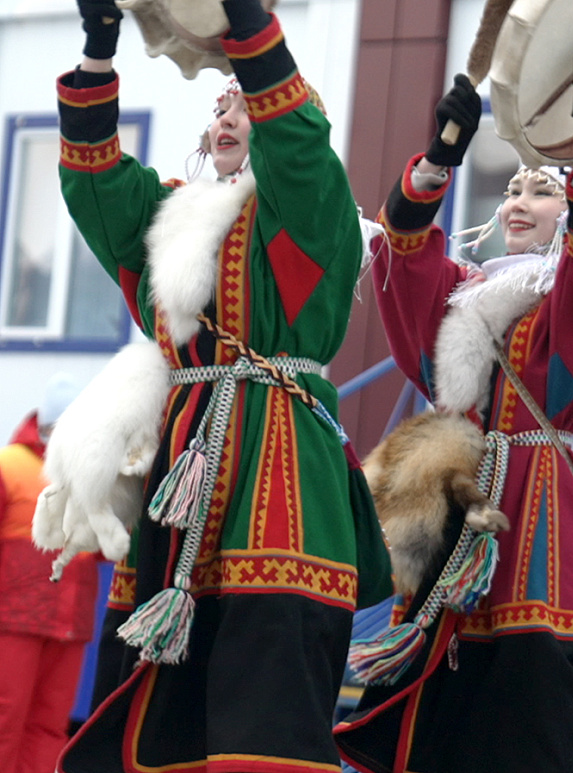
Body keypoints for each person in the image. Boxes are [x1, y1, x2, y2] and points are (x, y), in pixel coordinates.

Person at [55, 0, 392, 770]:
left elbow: (302, 151)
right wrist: (100, 48)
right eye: (219, 104)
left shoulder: (316, 214)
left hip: (281, 473)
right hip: (183, 480)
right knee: (150, 715)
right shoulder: (172, 218)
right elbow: (96, 181)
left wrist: (247, 32)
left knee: (261, 711)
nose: (229, 113)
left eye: (246, 99)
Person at [334, 31, 573, 773]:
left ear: (568, 209)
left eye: (542, 187)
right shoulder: (461, 295)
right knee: (438, 717)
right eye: (513, 184)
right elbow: (403, 254)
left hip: (538, 531)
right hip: (454, 523)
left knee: (535, 716)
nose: (519, 197)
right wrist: (441, 154)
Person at [0, 374, 92, 773]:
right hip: (13, 622)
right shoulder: (9, 467)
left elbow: (107, 548)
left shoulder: (90, 479)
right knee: (6, 721)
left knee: (51, 727)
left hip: (69, 625)